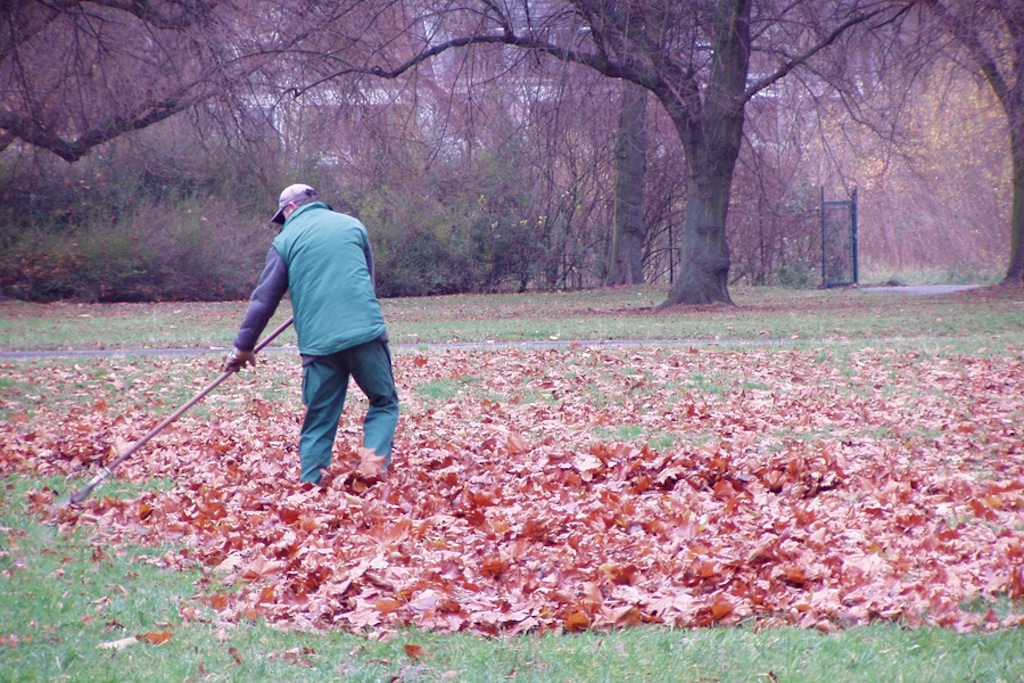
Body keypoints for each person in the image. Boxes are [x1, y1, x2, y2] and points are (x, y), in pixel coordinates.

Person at [224, 183, 399, 485]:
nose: (282, 225)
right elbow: (367, 285)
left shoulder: (285, 241)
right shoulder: (353, 226)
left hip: (319, 344)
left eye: (282, 218)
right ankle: (372, 470)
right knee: (383, 401)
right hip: (365, 332)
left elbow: (263, 300)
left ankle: (311, 487)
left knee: (319, 419)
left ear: (290, 209)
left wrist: (242, 348)